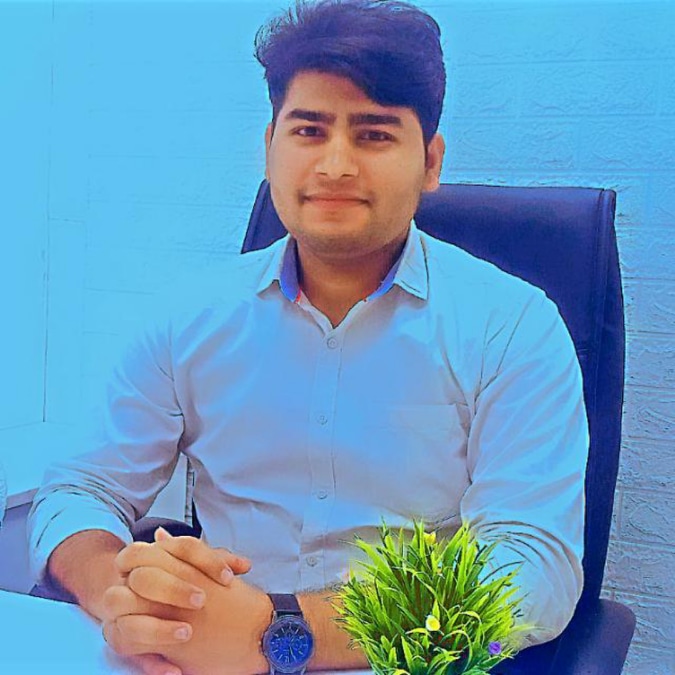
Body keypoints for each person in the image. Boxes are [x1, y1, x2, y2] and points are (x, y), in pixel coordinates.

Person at [28, 1, 588, 674]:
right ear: (270, 147)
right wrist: (123, 594)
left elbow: (531, 570)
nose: (335, 165)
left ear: (430, 162)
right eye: (309, 130)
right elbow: (81, 489)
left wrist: (280, 629)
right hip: (203, 654)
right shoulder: (188, 316)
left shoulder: (511, 325)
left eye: (374, 134)